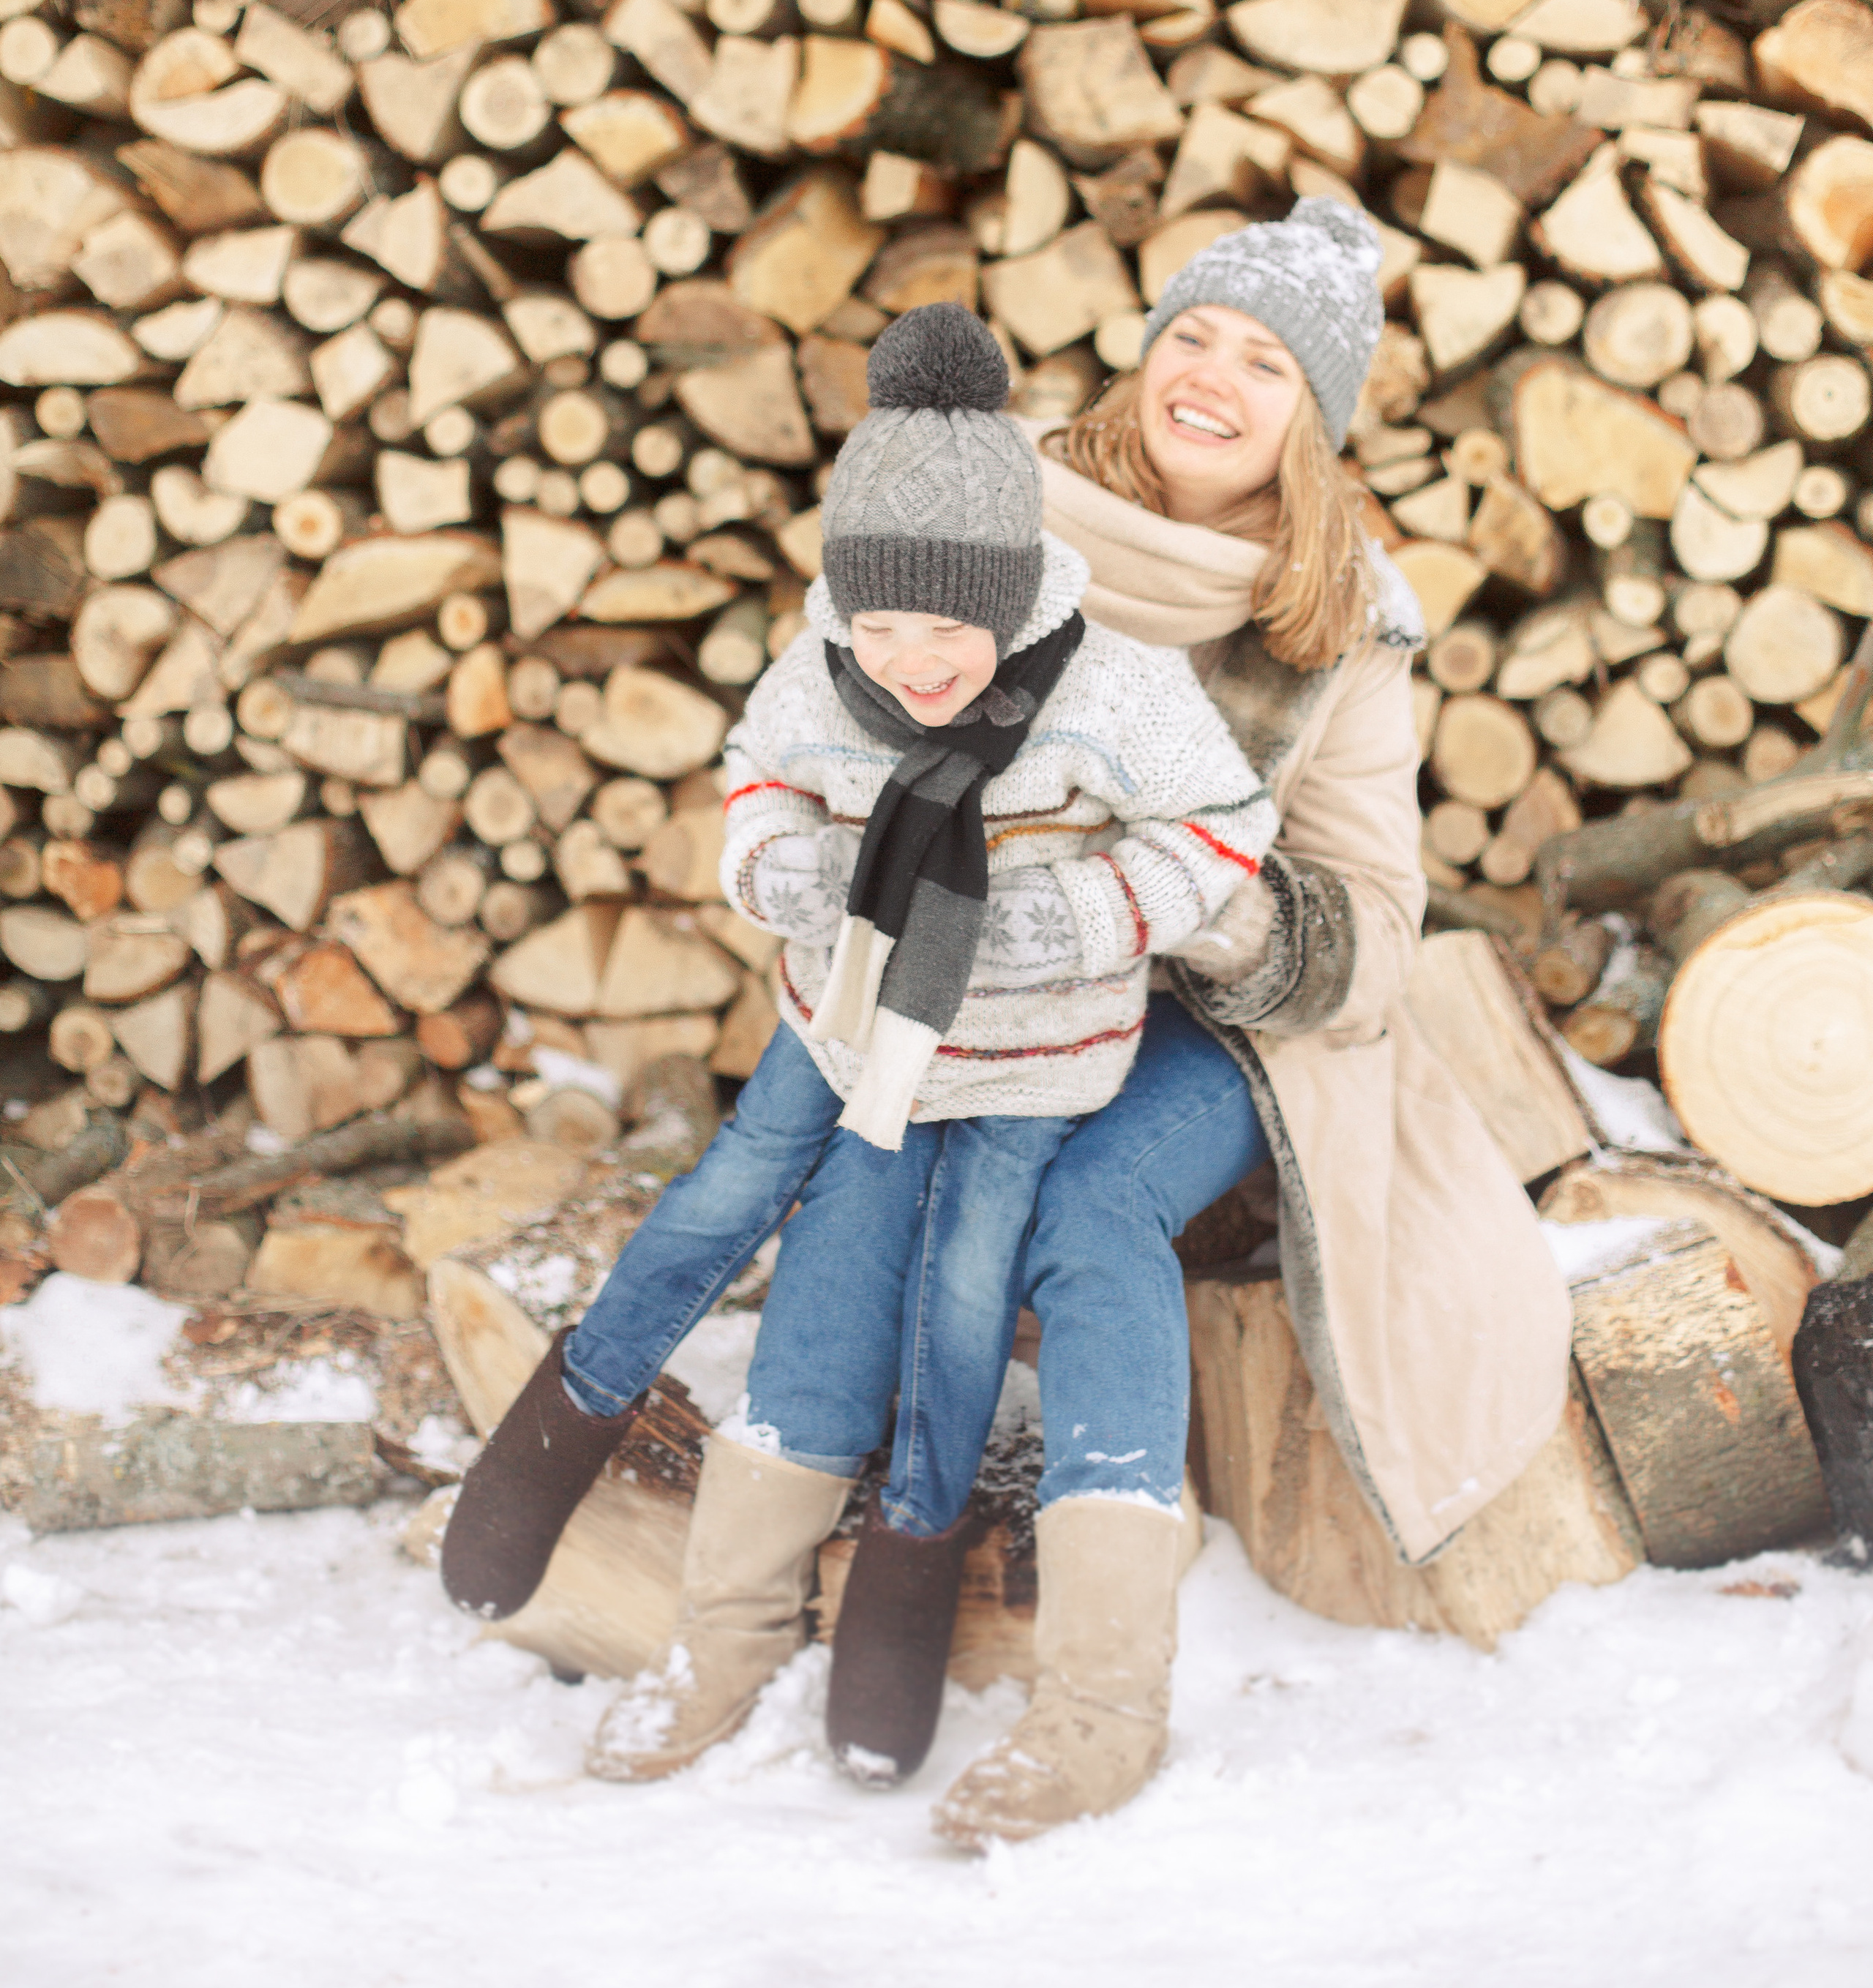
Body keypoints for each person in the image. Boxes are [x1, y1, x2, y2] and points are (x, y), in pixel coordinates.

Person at [762, 200, 1573, 1845]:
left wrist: (1205, 898)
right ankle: (793, 1584)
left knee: (1087, 1201)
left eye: (1265, 363)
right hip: (964, 980)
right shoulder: (988, 511)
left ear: (1314, 420)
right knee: (866, 1172)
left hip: (1206, 1021)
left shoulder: (1340, 624)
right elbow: (821, 725)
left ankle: (1101, 1707)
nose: (1210, 377)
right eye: (1191, 335)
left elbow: (1372, 931)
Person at [438, 301, 1280, 1784]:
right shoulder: (829, 663)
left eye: (943, 630)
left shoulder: (1115, 690)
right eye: (875, 627)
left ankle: (934, 1622)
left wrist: (1089, 914)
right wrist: (782, 875)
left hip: (1028, 1068)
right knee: (821, 1287)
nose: (906, 665)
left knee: (963, 1299)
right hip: (854, 1045)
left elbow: (1228, 825)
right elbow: (757, 778)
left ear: (1014, 601)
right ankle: (729, 1631)